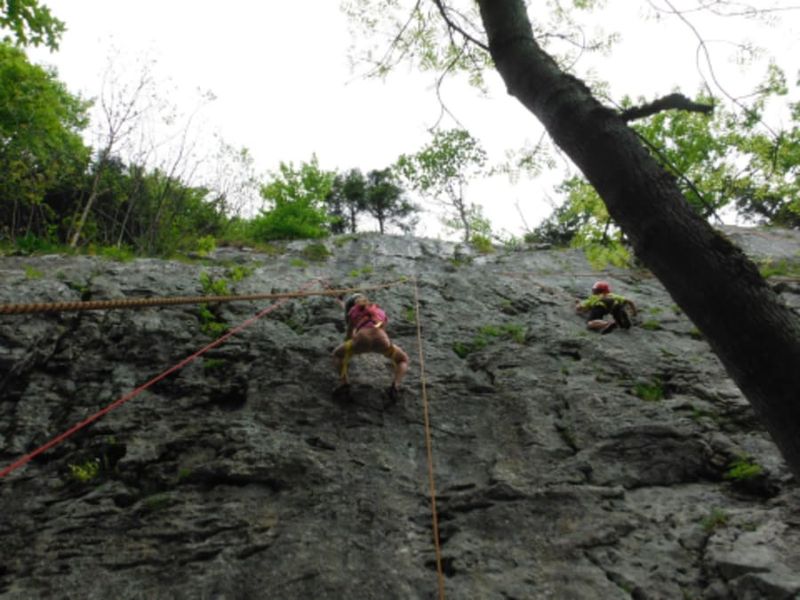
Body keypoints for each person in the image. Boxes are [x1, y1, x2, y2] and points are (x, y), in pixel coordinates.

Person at [332, 293, 409, 401]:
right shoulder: (379, 311)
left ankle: (344, 384)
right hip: (381, 341)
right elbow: (383, 329)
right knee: (402, 359)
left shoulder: (353, 311)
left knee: (337, 355)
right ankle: (395, 386)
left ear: (353, 305)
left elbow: (349, 334)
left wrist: (350, 345)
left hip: (362, 339)